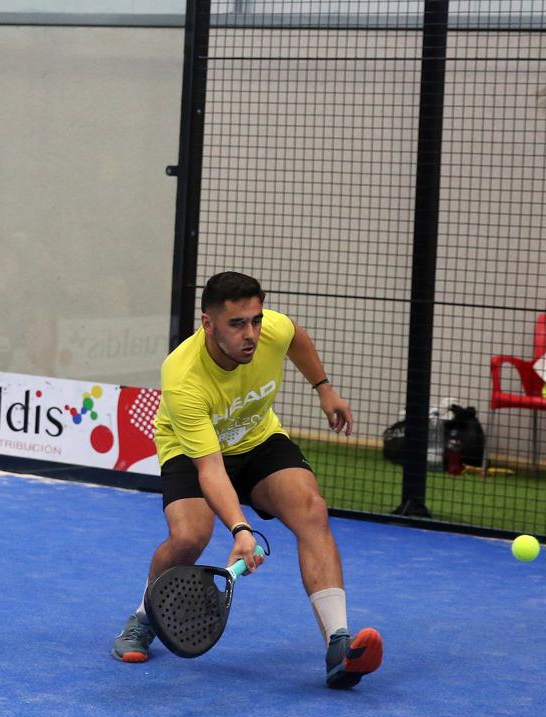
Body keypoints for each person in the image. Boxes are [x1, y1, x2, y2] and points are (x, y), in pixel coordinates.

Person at [112, 272, 383, 689]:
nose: (251, 333)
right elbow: (211, 469)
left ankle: (339, 646)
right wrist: (240, 529)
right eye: (237, 324)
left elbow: (295, 338)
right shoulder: (183, 376)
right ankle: (145, 616)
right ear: (209, 324)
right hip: (192, 450)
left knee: (311, 508)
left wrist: (324, 388)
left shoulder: (270, 329)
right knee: (189, 536)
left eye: (255, 320)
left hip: (258, 439)